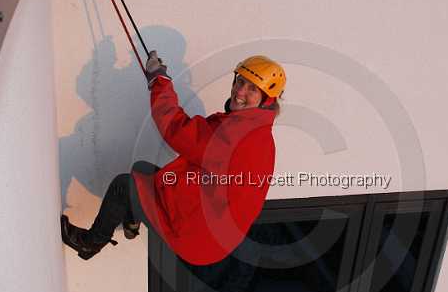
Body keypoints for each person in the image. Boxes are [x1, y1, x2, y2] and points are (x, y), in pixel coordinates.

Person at [61, 53, 285, 265]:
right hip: (212, 231)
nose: (240, 91)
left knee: (123, 186)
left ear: (267, 100)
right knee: (143, 169)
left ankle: (90, 244)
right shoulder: (259, 132)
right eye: (240, 81)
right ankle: (131, 220)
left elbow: (176, 130)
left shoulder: (237, 134)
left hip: (197, 234)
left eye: (252, 89)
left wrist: (159, 81)